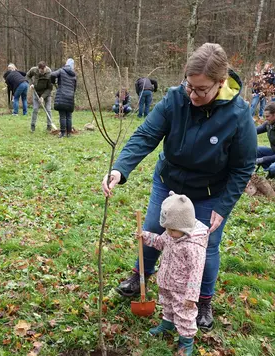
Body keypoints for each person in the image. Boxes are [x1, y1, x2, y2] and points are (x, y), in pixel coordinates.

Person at [102, 43, 256, 331]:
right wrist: (119, 169)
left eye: (202, 90)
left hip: (210, 193)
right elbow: (146, 134)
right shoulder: (175, 99)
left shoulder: (238, 114)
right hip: (169, 184)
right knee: (153, 228)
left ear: (220, 83)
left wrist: (223, 207)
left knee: (205, 246)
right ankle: (140, 277)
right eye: (190, 86)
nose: (194, 95)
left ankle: (203, 301)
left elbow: (243, 166)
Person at [143, 192, 208, 356]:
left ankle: (186, 340)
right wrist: (146, 237)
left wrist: (192, 295)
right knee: (166, 304)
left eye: (172, 230)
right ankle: (168, 323)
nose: (168, 233)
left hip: (182, 289)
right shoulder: (172, 233)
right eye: (167, 229)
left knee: (184, 314)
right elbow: (161, 242)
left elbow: (196, 271)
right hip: (166, 281)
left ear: (184, 227)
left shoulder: (194, 246)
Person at [50, 58, 77, 138]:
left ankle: (62, 133)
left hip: (61, 95)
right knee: (69, 116)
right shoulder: (74, 75)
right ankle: (68, 133)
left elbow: (52, 75)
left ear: (66, 64)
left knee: (62, 116)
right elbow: (74, 88)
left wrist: (53, 82)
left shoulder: (61, 71)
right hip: (70, 97)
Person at [26, 61, 53, 132]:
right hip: (36, 92)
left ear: (45, 68)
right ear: (38, 68)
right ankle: (32, 126)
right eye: (40, 71)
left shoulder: (49, 73)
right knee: (35, 109)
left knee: (48, 109)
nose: (41, 72)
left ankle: (49, 126)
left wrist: (43, 97)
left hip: (46, 93)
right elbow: (27, 76)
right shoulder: (34, 70)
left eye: (43, 71)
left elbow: (50, 88)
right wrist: (31, 84)